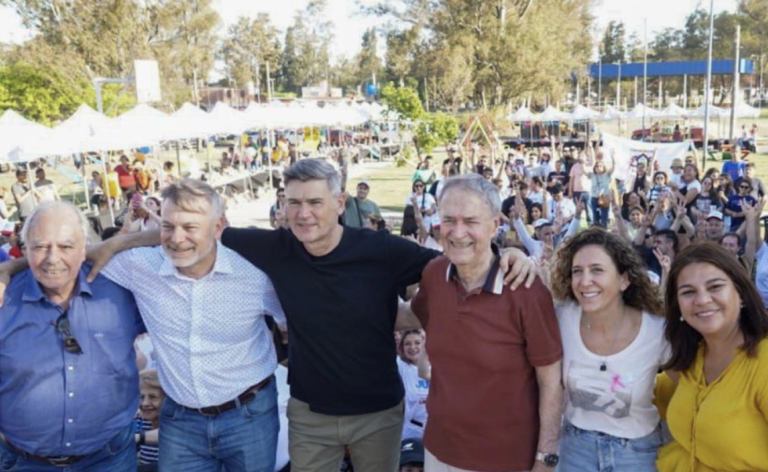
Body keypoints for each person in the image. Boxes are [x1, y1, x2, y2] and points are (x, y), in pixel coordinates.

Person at [86, 160, 535, 472]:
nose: (303, 214)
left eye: (315, 202)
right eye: (293, 203)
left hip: (378, 409)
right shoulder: (270, 248)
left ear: (340, 203)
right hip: (309, 412)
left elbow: (455, 260)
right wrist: (114, 244)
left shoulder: (381, 250)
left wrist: (509, 253)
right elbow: (188, 231)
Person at [412, 174, 563, 472]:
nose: (457, 232)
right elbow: (413, 315)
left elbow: (551, 384)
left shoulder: (526, 291)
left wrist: (545, 459)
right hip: (439, 452)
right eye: (448, 220)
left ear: (495, 224)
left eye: (470, 221)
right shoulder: (434, 274)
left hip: (506, 460)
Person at [0, 201, 145, 471]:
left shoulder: (122, 291)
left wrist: (115, 243)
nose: (52, 258)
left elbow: (189, 237)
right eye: (40, 246)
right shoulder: (3, 298)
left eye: (66, 246)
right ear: (25, 249)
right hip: (24, 462)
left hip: (109, 459)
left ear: (85, 250)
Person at [550, 228, 669, 471]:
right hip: (575, 450)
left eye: (597, 270)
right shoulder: (561, 319)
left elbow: (694, 384)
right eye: (577, 272)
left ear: (624, 279)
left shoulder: (656, 331)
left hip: (638, 453)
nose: (585, 281)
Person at [656, 243, 768, 471]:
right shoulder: (692, 358)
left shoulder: (763, 364)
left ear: (741, 294)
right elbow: (652, 391)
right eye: (688, 292)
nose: (702, 300)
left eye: (715, 287)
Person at [397, 328, 429, 440]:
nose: (412, 347)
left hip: (436, 431)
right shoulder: (400, 365)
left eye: (417, 343)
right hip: (410, 432)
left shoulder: (438, 366)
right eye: (407, 344)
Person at [136, 369, 165, 469]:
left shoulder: (174, 423)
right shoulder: (140, 420)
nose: (145, 403)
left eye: (153, 397)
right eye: (141, 397)